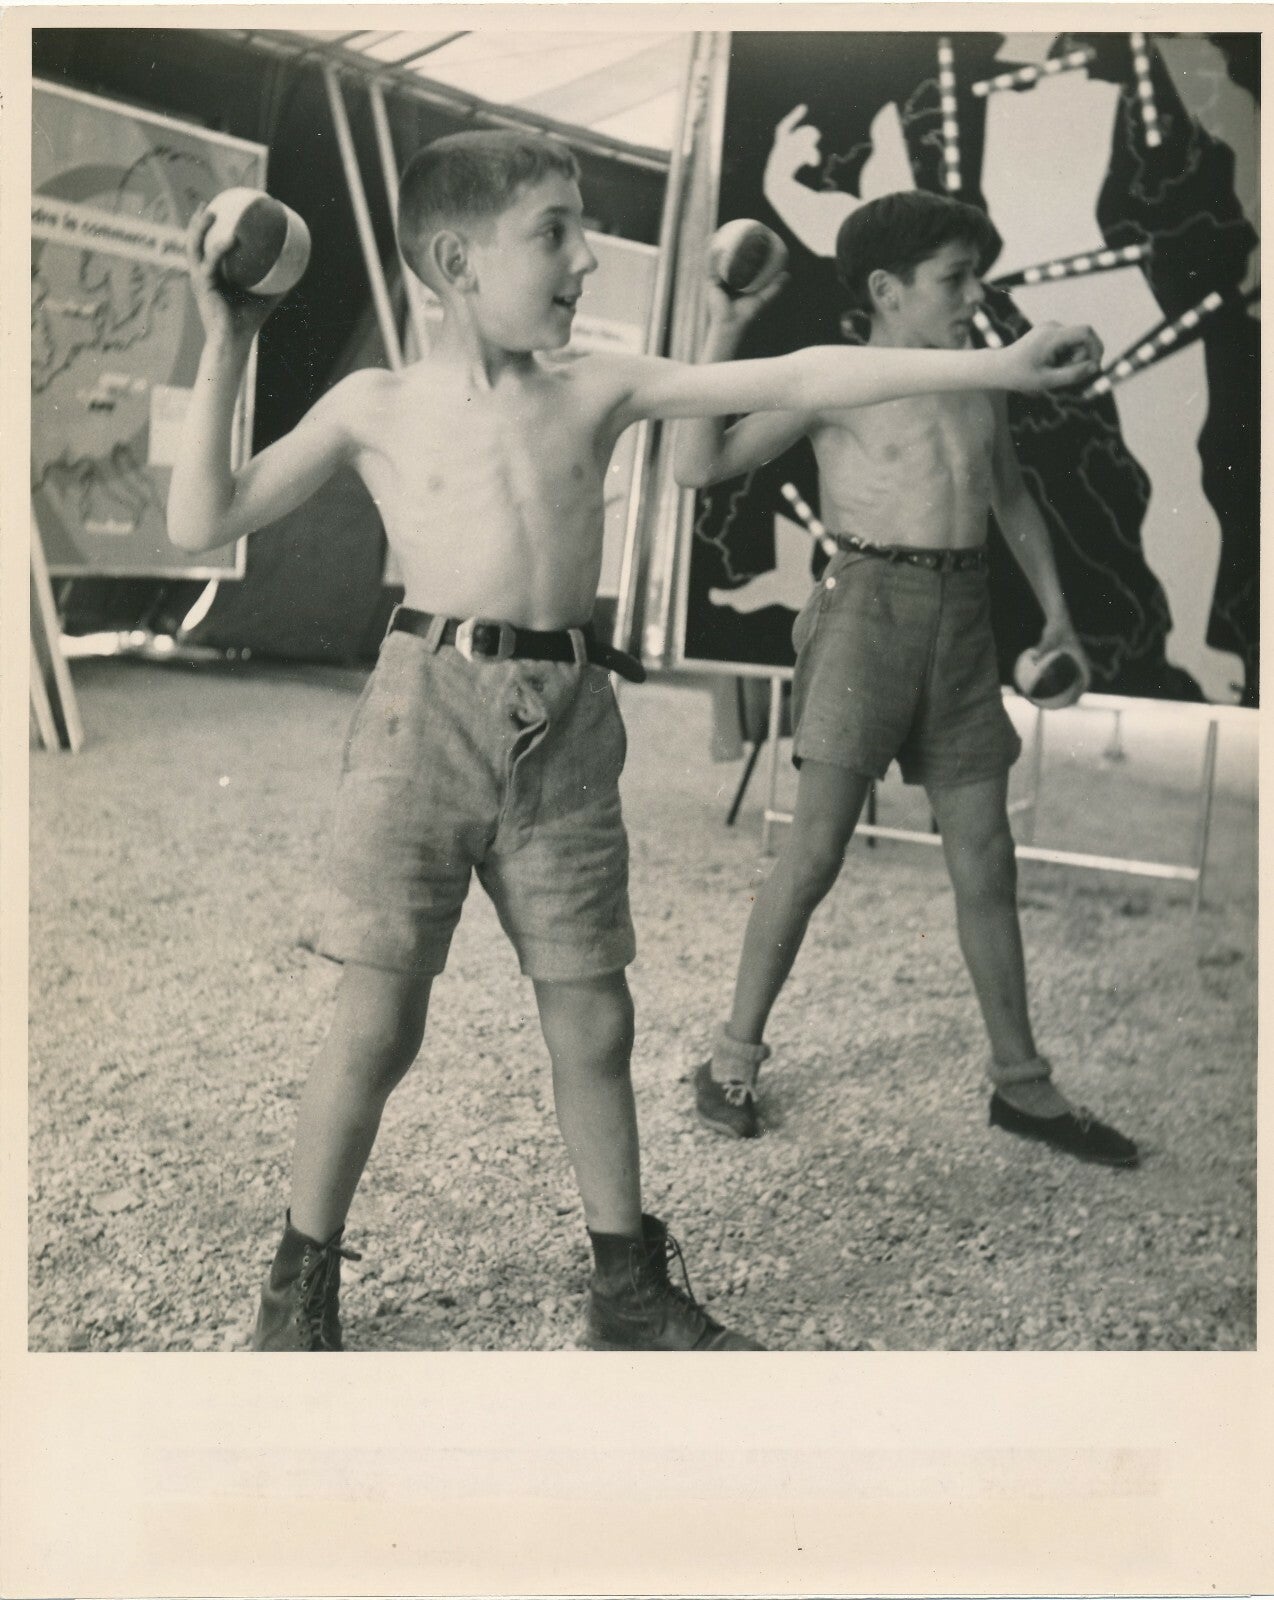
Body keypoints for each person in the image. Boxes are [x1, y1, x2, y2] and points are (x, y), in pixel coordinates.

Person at [168, 135, 1106, 1353]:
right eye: (552, 232)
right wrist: (228, 336)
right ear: (458, 260)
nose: (586, 257)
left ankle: (624, 1282)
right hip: (422, 713)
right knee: (376, 1020)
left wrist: (1002, 361)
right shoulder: (373, 406)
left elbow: (808, 376)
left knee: (594, 1016)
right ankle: (298, 1285)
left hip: (565, 722)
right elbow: (204, 519)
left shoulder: (596, 386)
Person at [675, 189, 1138, 1169]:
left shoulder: (980, 375)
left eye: (975, 275)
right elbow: (696, 465)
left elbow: (1007, 496)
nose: (974, 295)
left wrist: (1054, 612)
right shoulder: (836, 379)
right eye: (953, 279)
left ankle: (1020, 1083)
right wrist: (722, 324)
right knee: (812, 853)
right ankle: (728, 1060)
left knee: (985, 854)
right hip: (863, 608)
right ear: (886, 290)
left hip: (963, 617)